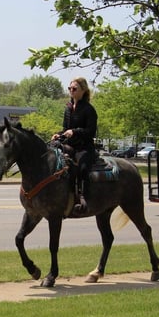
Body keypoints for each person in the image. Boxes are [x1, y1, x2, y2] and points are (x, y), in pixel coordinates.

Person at [51, 77, 98, 216]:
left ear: (83, 90)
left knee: (82, 168)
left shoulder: (89, 109)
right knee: (55, 162)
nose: (71, 91)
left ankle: (83, 197)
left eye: (74, 88)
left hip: (84, 147)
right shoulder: (68, 108)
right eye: (69, 88)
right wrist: (58, 135)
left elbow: (91, 131)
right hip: (70, 146)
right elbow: (66, 128)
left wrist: (75, 131)